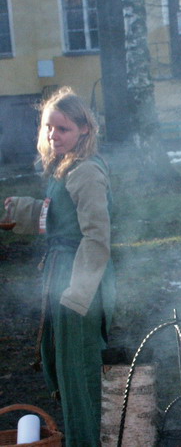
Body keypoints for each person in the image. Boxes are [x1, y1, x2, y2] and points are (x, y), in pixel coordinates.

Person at [3, 87, 115, 446]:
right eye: (49, 127)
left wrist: (78, 293)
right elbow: (61, 218)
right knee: (63, 366)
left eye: (63, 129)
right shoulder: (64, 168)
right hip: (62, 271)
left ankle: (87, 442)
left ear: (84, 129)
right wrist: (22, 208)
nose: (53, 135)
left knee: (79, 371)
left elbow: (96, 237)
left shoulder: (86, 172)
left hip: (81, 278)